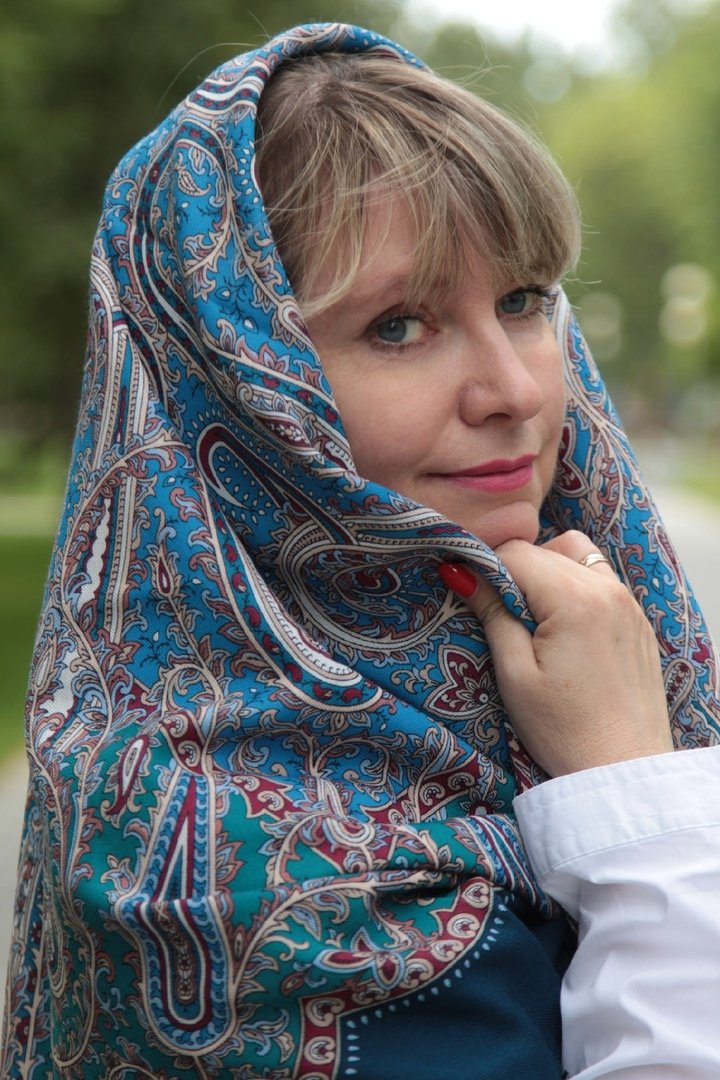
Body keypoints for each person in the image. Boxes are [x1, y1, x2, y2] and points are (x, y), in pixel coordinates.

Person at [2, 21, 719, 1079]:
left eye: (523, 300)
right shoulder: (224, 868)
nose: (514, 389)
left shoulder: (560, 655)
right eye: (398, 326)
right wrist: (633, 801)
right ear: (237, 381)